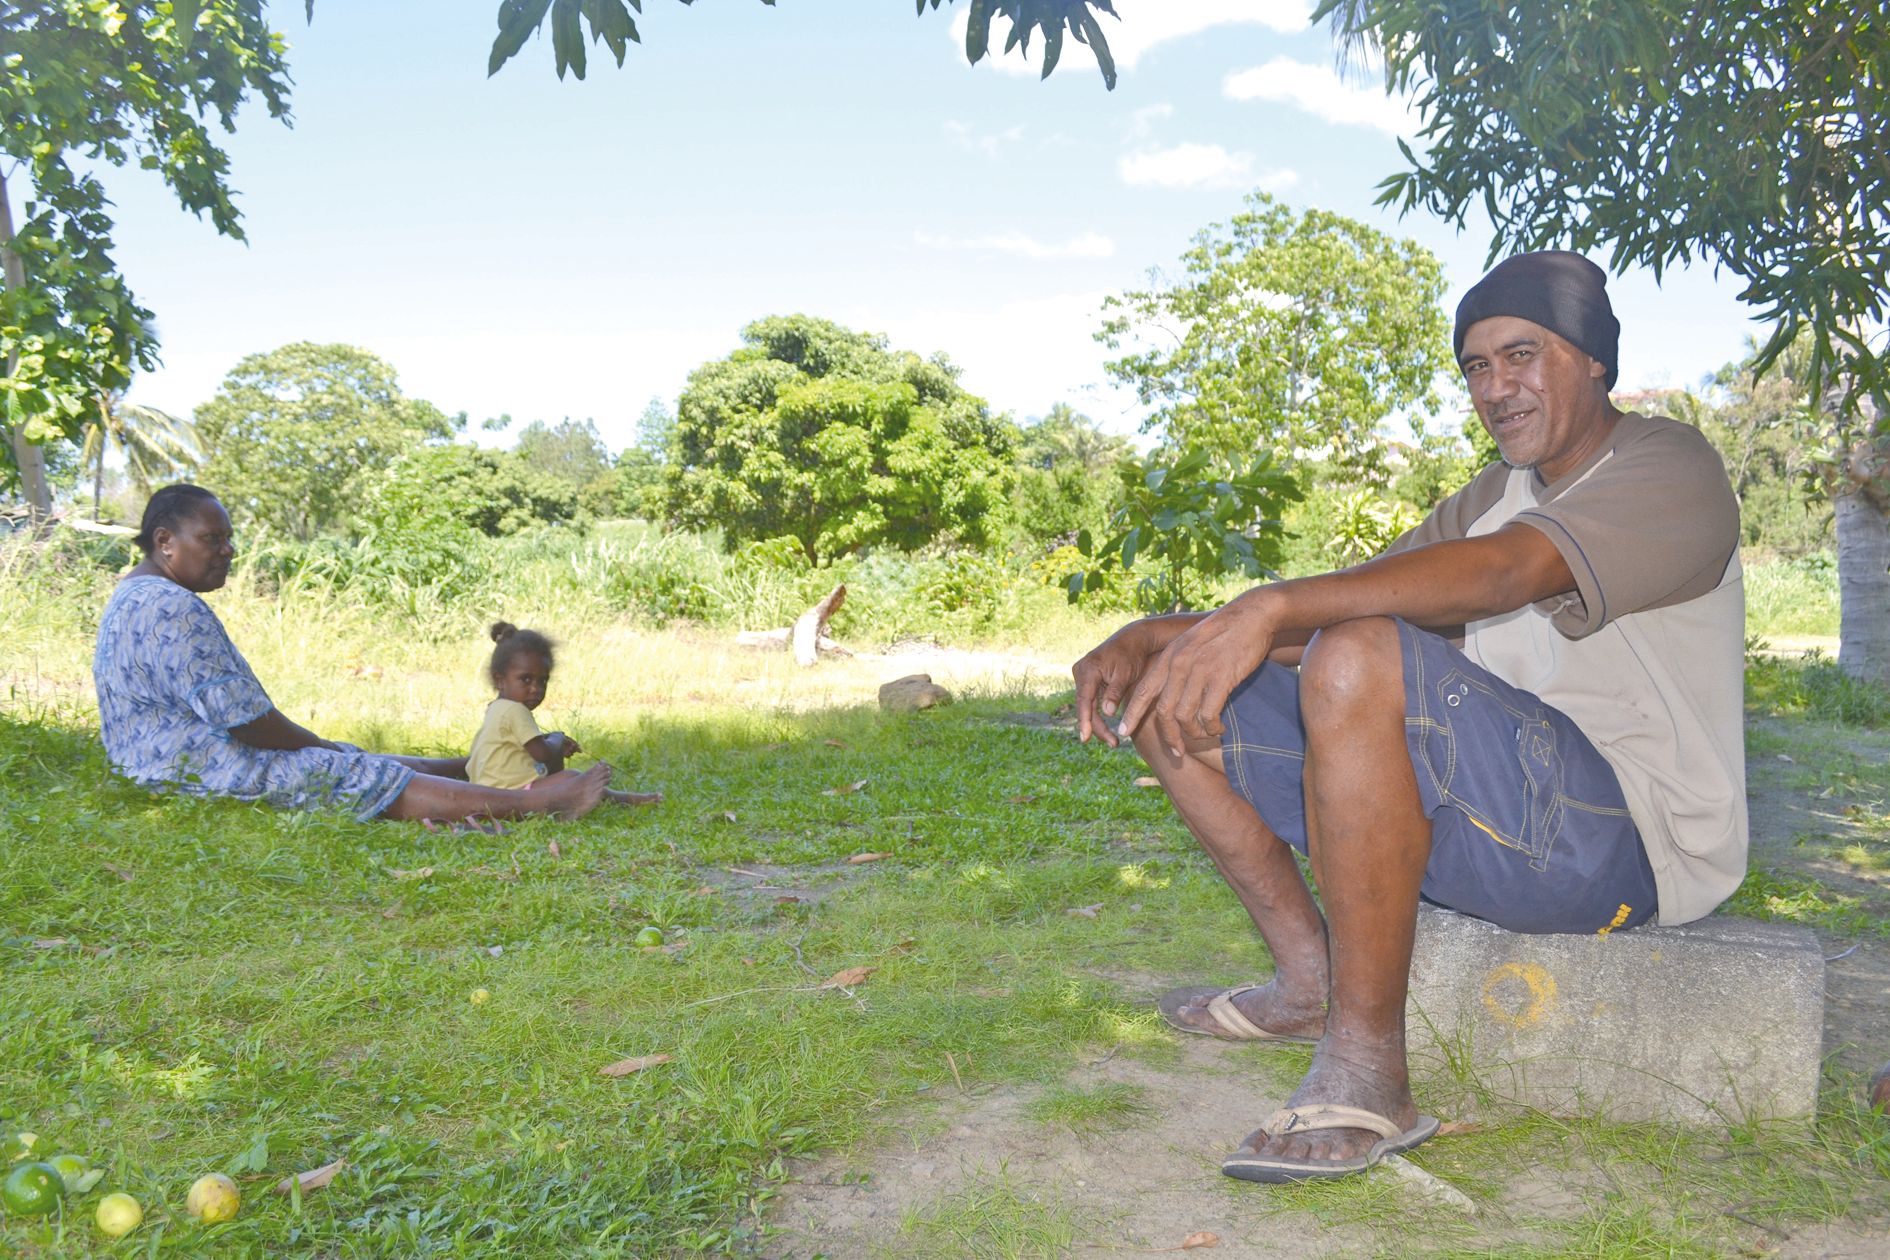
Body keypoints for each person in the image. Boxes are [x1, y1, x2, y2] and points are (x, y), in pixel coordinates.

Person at [1073, 251, 1744, 1183]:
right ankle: (1308, 984)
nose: (1495, 387)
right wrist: (1157, 634)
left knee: (1357, 652)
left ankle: (1369, 1070)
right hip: (1501, 820)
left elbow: (1508, 571)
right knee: (1172, 680)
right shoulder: (1492, 496)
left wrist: (1268, 604)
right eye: (1476, 367)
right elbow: (1335, 612)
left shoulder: (1670, 465)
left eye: (1521, 354)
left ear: (1593, 359)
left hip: (1629, 842)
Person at [94, 484, 616, 824]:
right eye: (212, 538)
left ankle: (476, 768)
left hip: (150, 763)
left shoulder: (131, 596)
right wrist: (312, 744)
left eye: (229, 538)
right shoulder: (172, 608)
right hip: (191, 770)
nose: (228, 550)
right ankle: (537, 800)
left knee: (344, 754)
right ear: (165, 541)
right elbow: (247, 724)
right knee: (345, 768)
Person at [468, 620, 662, 807]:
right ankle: (626, 800)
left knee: (566, 779)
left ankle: (621, 798)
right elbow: (542, 754)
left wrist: (549, 740)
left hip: (488, 793)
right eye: (526, 679)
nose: (535, 688)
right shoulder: (516, 710)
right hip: (513, 795)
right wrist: (557, 741)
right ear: (500, 680)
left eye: (542, 681)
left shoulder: (496, 707)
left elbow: (520, 745)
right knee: (575, 778)